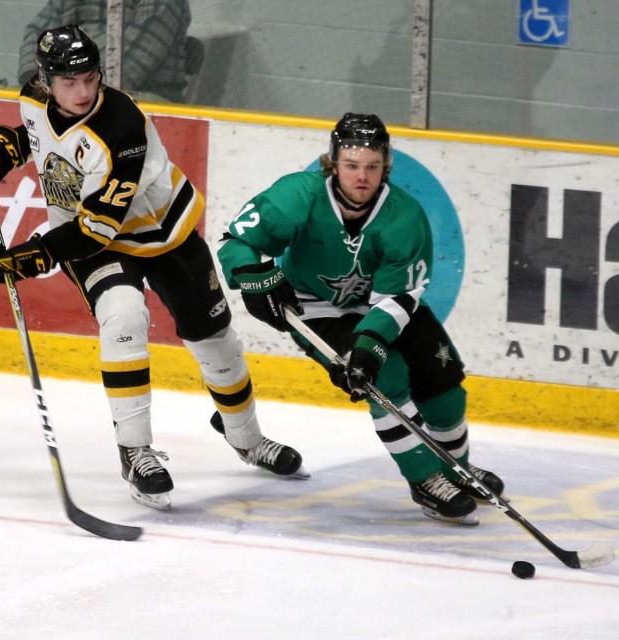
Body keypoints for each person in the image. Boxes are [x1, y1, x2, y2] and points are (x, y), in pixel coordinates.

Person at [0, 25, 305, 510]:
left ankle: (247, 438)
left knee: (214, 337)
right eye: (69, 82)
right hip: (96, 245)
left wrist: (35, 255)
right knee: (123, 317)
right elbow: (40, 136)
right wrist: (4, 150)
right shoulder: (33, 99)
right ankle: (136, 451)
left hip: (161, 234)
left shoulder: (123, 124)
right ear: (45, 81)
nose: (81, 91)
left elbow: (99, 224)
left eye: (90, 78)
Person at [216, 113, 505, 526]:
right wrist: (253, 276)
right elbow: (237, 240)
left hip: (385, 305)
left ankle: (456, 467)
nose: (362, 176)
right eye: (352, 166)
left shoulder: (404, 217)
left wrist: (370, 342)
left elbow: (399, 296)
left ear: (385, 166)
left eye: (372, 166)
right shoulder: (298, 195)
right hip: (313, 306)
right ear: (333, 164)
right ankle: (425, 478)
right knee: (384, 379)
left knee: (443, 382)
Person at [17, 0, 191, 103]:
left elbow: (130, 65)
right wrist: (40, 82)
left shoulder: (165, 3)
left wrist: (68, 79)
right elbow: (37, 33)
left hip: (143, 99)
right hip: (74, 87)